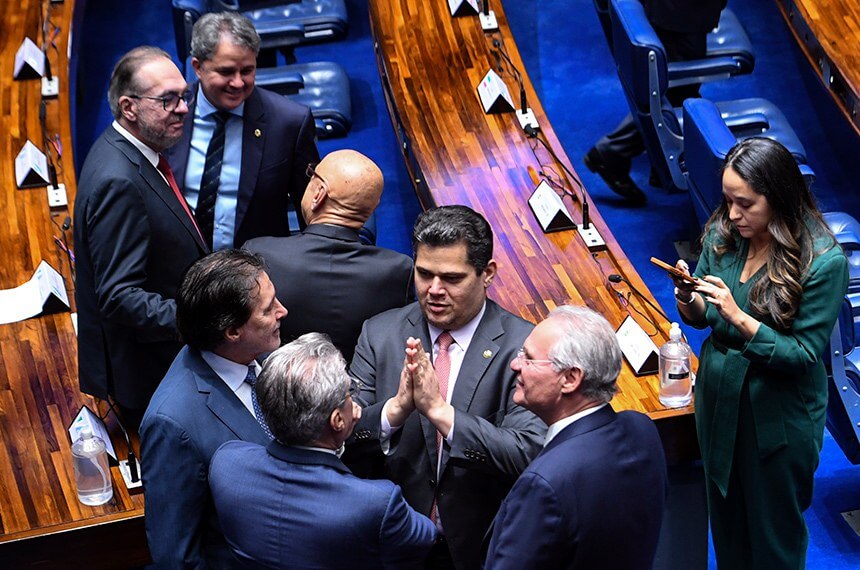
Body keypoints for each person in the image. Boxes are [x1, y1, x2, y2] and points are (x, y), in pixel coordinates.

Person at [671, 137, 848, 567]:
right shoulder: (725, 232)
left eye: (746, 203)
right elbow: (702, 316)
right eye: (728, 200)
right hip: (719, 401)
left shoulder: (824, 262)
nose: (733, 214)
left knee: (773, 540)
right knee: (727, 527)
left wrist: (739, 317)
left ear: (779, 197)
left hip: (777, 416)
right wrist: (687, 297)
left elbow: (802, 354)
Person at [347, 205, 545, 569]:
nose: (434, 290)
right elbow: (342, 438)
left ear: (487, 274)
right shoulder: (379, 334)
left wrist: (442, 413)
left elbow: (527, 453)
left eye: (452, 278)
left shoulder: (523, 346)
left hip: (481, 547)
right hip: (392, 543)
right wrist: (394, 411)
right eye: (424, 274)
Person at [209, 333, 436, 568]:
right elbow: (425, 537)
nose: (355, 403)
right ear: (337, 420)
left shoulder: (227, 463)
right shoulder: (376, 503)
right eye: (349, 393)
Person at [74, 46, 208, 429]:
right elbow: (119, 295)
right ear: (129, 108)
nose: (183, 108)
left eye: (185, 95)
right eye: (168, 100)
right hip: (152, 374)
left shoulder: (127, 149)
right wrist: (201, 321)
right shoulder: (118, 181)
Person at [483, 305, 667, 569]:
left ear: (570, 378)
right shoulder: (642, 429)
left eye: (529, 359)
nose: (515, 364)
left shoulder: (544, 483)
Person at [140, 249, 287, 568]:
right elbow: (175, 555)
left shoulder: (257, 353)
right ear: (232, 331)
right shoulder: (172, 424)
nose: (282, 311)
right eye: (268, 309)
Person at [164, 11, 319, 250]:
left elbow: (313, 215)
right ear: (198, 67)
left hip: (256, 267)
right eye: (226, 72)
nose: (237, 83)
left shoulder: (289, 123)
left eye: (247, 71)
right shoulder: (168, 114)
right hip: (178, 264)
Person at [244, 149, 415, 362]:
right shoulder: (400, 270)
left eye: (311, 176)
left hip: (276, 380)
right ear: (373, 208)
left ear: (319, 194)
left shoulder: (259, 253)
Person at [584, 0, 727, 202]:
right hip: (681, 15)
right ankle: (611, 152)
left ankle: (653, 164)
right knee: (676, 92)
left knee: (677, 90)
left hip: (674, 13)